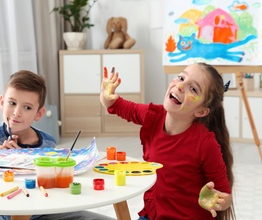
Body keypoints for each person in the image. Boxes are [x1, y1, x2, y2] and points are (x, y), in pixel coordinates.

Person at [0, 70, 114, 220]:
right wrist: (1, 163)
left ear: (39, 114)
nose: (16, 112)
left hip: (44, 212)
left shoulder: (48, 142)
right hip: (7, 213)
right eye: (12, 103)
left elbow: (48, 189)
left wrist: (26, 161)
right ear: (2, 102)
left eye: (27, 107)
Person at [100, 63, 235, 220]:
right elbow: (113, 104)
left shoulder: (205, 143)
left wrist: (217, 201)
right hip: (152, 215)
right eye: (181, 77)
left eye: (193, 89)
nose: (180, 86)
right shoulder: (153, 116)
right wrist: (106, 93)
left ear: (201, 111)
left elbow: (225, 196)